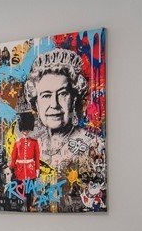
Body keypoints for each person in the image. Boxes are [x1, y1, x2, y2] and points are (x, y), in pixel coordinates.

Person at [24, 48, 104, 181]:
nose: (54, 104)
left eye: (62, 94)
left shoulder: (94, 145)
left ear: (74, 99)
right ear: (36, 103)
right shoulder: (31, 146)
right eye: (46, 95)